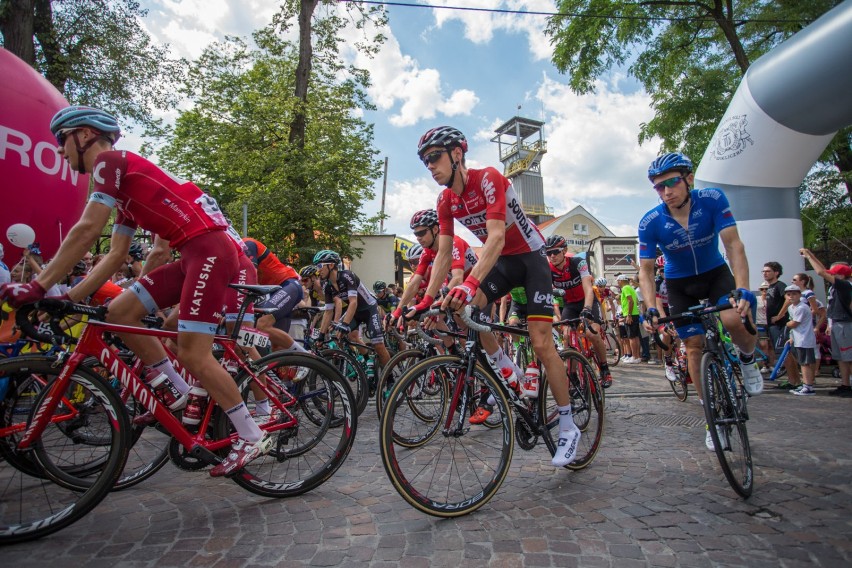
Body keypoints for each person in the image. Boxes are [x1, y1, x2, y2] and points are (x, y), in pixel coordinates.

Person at [0, 106, 271, 477]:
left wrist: (38, 285)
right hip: (192, 253)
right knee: (118, 313)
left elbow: (86, 229)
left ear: (83, 136)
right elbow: (115, 256)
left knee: (193, 351)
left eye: (61, 140)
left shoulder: (109, 163)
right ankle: (174, 391)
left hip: (210, 250)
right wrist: (68, 297)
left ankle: (250, 433)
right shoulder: (122, 191)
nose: (60, 151)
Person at [414, 125, 581, 467]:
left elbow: (496, 238)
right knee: (464, 311)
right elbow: (443, 255)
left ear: (457, 153)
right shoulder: (446, 199)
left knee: (541, 342)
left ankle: (567, 423)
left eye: (434, 157)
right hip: (502, 262)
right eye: (424, 161)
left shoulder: (488, 178)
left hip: (530, 258)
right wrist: (427, 301)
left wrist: (469, 283)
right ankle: (509, 373)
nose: (429, 166)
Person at [637, 152, 763, 452]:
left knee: (733, 319)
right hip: (680, 285)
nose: (666, 191)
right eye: (659, 187)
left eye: (671, 183)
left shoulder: (712, 199)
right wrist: (652, 306)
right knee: (693, 345)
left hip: (715, 274)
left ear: (688, 179)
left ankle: (747, 359)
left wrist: (743, 288)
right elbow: (646, 269)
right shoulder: (651, 221)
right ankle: (712, 416)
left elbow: (733, 245)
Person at [547, 234, 613, 388]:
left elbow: (588, 288)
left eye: (555, 251)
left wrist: (587, 309)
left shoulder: (578, 262)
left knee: (592, 333)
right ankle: (573, 374)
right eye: (548, 252)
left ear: (565, 251)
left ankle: (604, 368)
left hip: (587, 300)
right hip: (569, 305)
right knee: (566, 335)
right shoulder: (548, 269)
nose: (552, 255)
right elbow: (546, 292)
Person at [314, 249, 391, 374]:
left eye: (319, 266)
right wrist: (321, 336)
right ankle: (366, 360)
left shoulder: (347, 276)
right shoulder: (327, 285)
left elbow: (353, 302)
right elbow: (328, 312)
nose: (318, 270)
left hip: (369, 309)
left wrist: (344, 324)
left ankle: (390, 379)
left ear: (331, 265)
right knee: (342, 335)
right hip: (355, 311)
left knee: (378, 345)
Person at [799, 250, 852, 396]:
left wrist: (809, 256)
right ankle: (845, 384)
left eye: (834, 274)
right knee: (840, 357)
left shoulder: (845, 285)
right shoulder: (836, 287)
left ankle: (849, 385)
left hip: (845, 324)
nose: (831, 276)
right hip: (837, 322)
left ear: (841, 276)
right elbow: (823, 270)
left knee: (849, 357)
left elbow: (821, 272)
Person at [242, 237, 306, 354]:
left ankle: (308, 358)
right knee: (277, 348)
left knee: (262, 325)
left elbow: (251, 276)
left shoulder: (247, 244)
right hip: (277, 291)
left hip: (287, 284)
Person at [763, 261, 800, 389]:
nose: (765, 274)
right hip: (773, 325)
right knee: (785, 353)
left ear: (776, 273)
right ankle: (794, 380)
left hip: (780, 325)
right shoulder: (770, 287)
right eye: (764, 271)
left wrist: (780, 315)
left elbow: (788, 299)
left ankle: (794, 381)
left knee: (785, 353)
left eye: (768, 271)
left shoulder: (780, 285)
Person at [783, 285, 818, 395]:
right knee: (803, 363)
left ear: (799, 295)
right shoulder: (791, 308)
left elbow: (794, 323)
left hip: (805, 339)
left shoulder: (802, 307)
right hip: (798, 339)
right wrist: (791, 337)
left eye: (794, 294)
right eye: (789, 294)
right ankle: (806, 385)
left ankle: (808, 386)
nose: (791, 296)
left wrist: (787, 324)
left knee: (805, 363)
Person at [617, 274, 642, 364]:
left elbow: (630, 300)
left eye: (618, 280)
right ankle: (637, 356)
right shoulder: (631, 288)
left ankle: (634, 357)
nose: (617, 282)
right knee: (635, 337)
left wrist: (628, 315)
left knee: (631, 337)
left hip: (630, 314)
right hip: (634, 313)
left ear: (621, 280)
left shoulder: (625, 288)